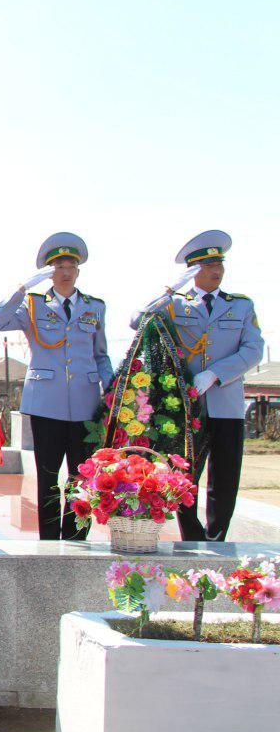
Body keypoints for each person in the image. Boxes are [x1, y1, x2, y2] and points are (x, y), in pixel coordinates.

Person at [130, 230, 264, 541]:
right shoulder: (175, 304)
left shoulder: (241, 306)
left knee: (226, 477)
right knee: (185, 475)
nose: (216, 271)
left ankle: (217, 538)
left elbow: (253, 349)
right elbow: (138, 320)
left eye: (219, 264)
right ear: (193, 271)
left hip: (227, 402)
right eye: (207, 266)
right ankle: (191, 537)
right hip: (187, 407)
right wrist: (168, 291)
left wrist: (216, 373)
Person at [0, 232, 112, 540]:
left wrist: (112, 390)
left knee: (80, 477)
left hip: (85, 402)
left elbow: (101, 355)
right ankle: (47, 539)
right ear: (48, 271)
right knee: (47, 477)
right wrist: (22, 288)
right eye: (58, 265)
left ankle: (75, 538)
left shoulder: (94, 307)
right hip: (45, 403)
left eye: (71, 265)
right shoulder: (32, 305)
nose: (65, 271)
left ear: (79, 270)